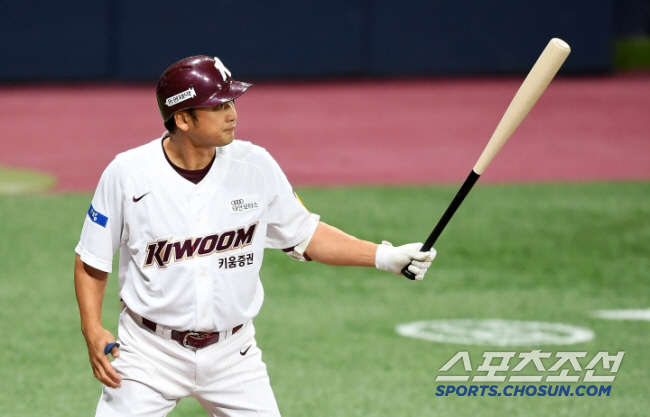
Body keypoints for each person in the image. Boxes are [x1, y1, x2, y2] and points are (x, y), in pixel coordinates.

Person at [74, 55, 436, 417]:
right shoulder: (128, 174)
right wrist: (92, 330)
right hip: (148, 354)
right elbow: (92, 261)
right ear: (182, 118)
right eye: (218, 106)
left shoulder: (255, 165)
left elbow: (306, 234)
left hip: (233, 355)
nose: (232, 114)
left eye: (231, 102)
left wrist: (386, 257)